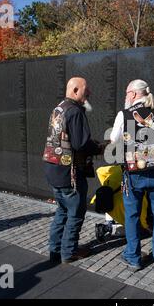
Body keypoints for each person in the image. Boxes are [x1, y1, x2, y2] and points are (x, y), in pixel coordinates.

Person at [110, 79, 154, 270]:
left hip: (134, 174)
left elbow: (113, 139)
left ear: (133, 94)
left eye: (126, 93)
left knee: (132, 215)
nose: (125, 97)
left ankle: (133, 257)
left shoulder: (124, 114)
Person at [43, 77, 103, 264]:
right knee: (75, 213)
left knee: (62, 211)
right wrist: (100, 148)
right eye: (87, 90)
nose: (89, 93)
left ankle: (55, 250)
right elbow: (81, 143)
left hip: (53, 169)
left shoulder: (58, 108)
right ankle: (69, 252)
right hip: (69, 173)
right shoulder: (75, 111)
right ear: (76, 90)